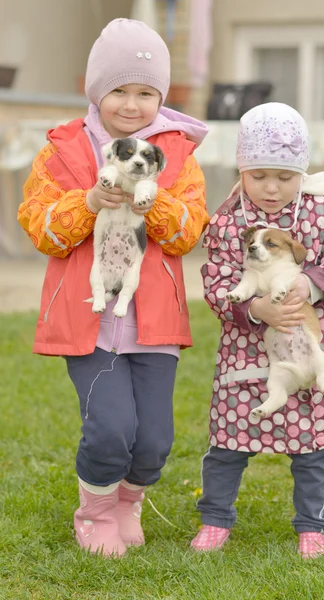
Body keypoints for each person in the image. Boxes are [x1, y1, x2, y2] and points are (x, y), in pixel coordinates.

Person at [18, 18, 209, 557]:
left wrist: (157, 201)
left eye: (146, 93)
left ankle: (127, 502)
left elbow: (189, 231)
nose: (132, 103)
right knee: (109, 430)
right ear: (96, 90)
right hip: (89, 318)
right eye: (119, 90)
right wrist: (88, 203)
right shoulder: (63, 150)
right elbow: (40, 227)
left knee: (153, 442)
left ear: (161, 96)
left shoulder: (178, 156)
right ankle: (96, 513)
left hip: (155, 322)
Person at [190, 102, 324, 559]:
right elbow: (216, 284)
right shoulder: (228, 221)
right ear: (242, 170)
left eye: (284, 176)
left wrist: (311, 283)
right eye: (259, 176)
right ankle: (215, 518)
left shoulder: (323, 213)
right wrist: (254, 308)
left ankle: (313, 525)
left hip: (312, 342)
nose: (271, 188)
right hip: (247, 353)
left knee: (313, 447)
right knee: (229, 442)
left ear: (302, 171)